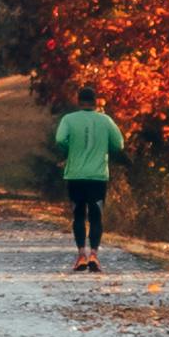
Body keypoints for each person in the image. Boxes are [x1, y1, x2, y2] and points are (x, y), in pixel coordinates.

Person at [50, 88, 125, 265]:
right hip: (98, 176)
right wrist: (106, 149)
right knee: (96, 216)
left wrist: (70, 149)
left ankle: (81, 255)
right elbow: (119, 144)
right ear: (96, 102)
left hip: (75, 175)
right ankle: (94, 255)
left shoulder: (69, 119)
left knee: (78, 215)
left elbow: (60, 139)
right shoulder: (105, 120)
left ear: (78, 101)